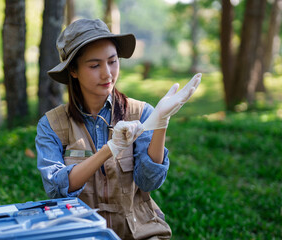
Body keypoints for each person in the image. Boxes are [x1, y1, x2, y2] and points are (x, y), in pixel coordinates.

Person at [35, 18, 201, 240]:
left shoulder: (140, 113)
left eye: (112, 62)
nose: (107, 74)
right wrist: (109, 149)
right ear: (73, 70)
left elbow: (148, 181)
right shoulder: (52, 125)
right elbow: (56, 188)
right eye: (94, 65)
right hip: (83, 235)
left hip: (141, 233)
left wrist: (161, 122)